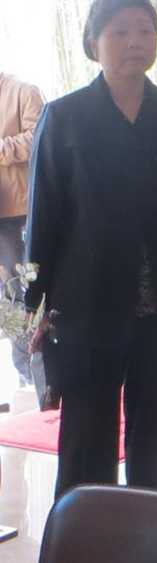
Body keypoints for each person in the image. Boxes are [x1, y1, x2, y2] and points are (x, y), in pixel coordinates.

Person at [24, 0, 157, 498]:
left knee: (154, 430)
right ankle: (84, 530)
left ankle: (145, 523)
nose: (135, 42)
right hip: (87, 303)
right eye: (120, 32)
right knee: (87, 435)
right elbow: (45, 216)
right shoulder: (66, 116)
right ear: (94, 42)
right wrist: (33, 303)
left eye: (146, 31)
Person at [0, 70, 44, 387]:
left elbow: (39, 137)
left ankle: (33, 372)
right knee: (7, 296)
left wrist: (2, 148)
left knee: (22, 291)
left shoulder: (24, 91)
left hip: (18, 212)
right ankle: (25, 372)